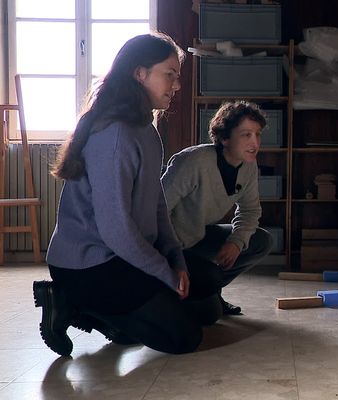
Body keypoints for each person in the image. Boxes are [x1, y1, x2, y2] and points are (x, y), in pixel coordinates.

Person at [33, 32, 222, 357]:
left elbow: (158, 202)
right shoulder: (116, 135)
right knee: (185, 337)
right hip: (89, 267)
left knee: (208, 291)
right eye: (170, 75)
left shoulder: (145, 129)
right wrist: (164, 273)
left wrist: (175, 260)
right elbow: (116, 230)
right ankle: (72, 303)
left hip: (122, 257)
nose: (176, 85)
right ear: (139, 73)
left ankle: (122, 317)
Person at [161, 100, 274, 315]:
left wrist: (235, 243)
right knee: (210, 314)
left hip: (197, 237)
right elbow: (156, 212)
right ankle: (189, 291)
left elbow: (250, 211)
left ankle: (208, 288)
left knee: (262, 240)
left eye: (257, 134)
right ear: (224, 138)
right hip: (168, 247)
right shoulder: (193, 161)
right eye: (246, 134)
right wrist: (172, 257)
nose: (255, 143)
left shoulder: (248, 165)